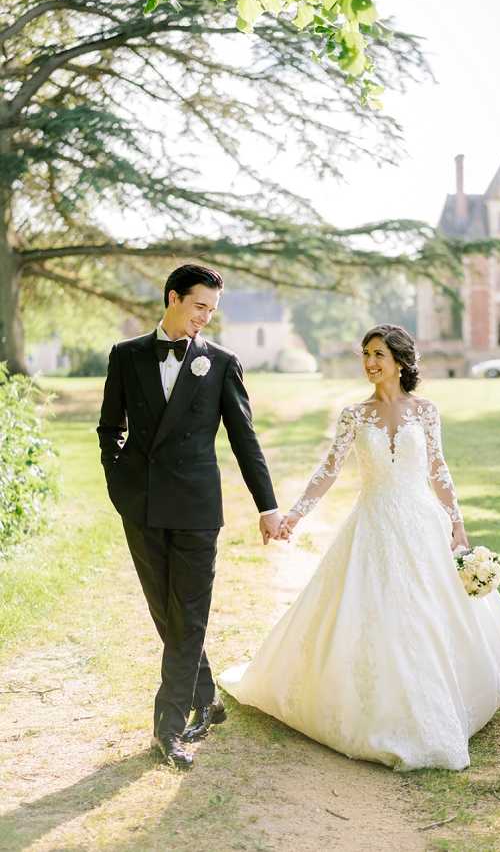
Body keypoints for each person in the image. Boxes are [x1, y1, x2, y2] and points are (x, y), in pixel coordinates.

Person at [220, 324, 500, 771]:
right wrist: (294, 515)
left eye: (378, 354)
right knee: (372, 611)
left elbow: (439, 468)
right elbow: (328, 470)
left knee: (426, 611)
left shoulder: (426, 411)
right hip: (373, 525)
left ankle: (435, 703)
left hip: (422, 523)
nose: (370, 363)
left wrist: (457, 525)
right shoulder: (354, 415)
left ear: (401, 360)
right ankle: (377, 711)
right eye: (365, 354)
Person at [97, 264, 286, 770]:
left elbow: (245, 440)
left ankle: (169, 726)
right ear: (173, 297)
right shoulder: (127, 355)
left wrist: (267, 506)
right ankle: (208, 697)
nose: (206, 318)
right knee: (167, 613)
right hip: (140, 505)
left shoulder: (221, 363)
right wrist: (119, 484)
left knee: (189, 618)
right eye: (199, 306)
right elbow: (109, 427)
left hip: (197, 509)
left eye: (213, 311)